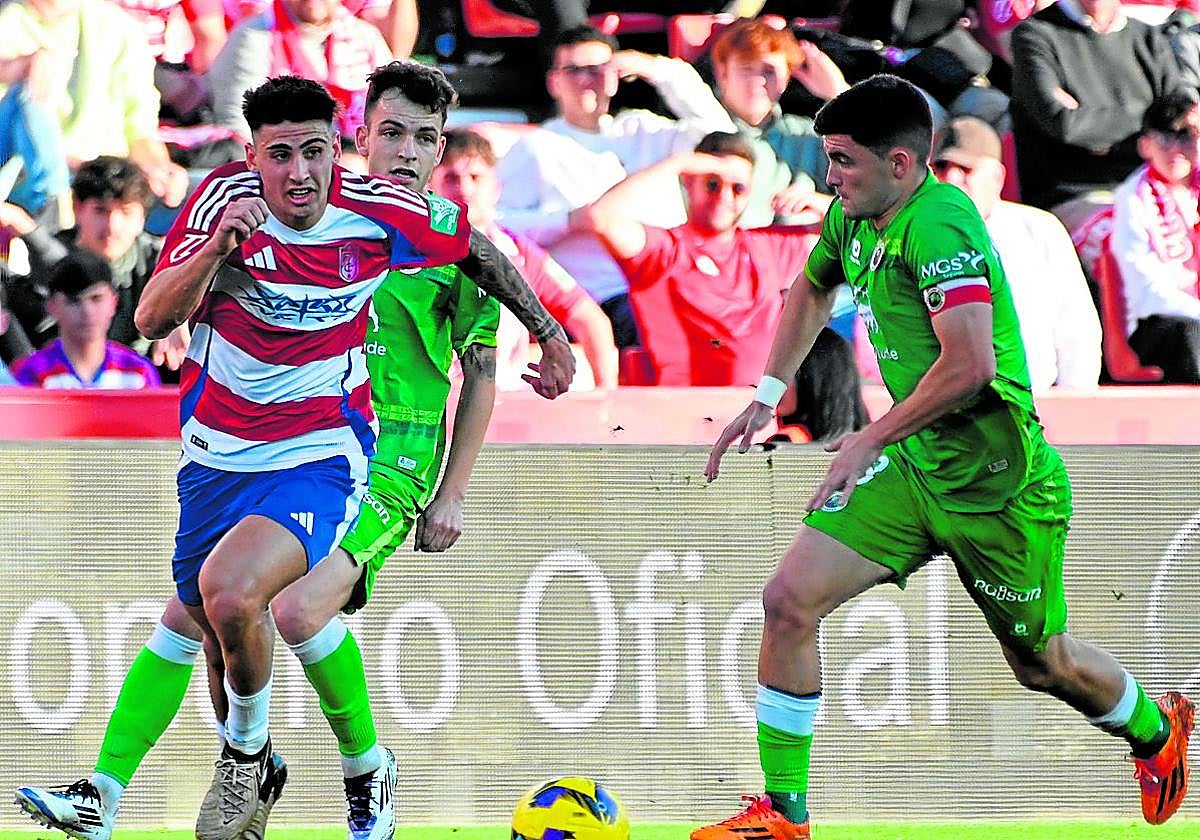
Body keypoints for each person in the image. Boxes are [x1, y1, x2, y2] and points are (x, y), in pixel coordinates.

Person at [13, 66, 572, 840]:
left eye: (426, 138)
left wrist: (542, 340)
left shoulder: (411, 221)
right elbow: (149, 317)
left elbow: (479, 327)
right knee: (200, 616)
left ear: (336, 147)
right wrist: (216, 254)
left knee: (277, 603)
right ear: (364, 134)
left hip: (362, 453)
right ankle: (115, 791)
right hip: (219, 449)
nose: (408, 152)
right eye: (394, 133)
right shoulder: (236, 204)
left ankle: (335, 767)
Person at [699, 74, 1194, 840]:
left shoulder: (940, 227)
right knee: (787, 603)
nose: (830, 177)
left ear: (901, 163)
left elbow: (970, 367)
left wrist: (863, 437)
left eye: (843, 160)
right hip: (913, 469)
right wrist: (767, 393)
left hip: (998, 489)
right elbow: (809, 290)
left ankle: (1156, 731)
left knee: (1043, 665)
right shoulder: (854, 216)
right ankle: (784, 814)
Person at [497, 24, 734, 347]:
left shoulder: (643, 128)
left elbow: (721, 135)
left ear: (616, 77)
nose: (585, 81)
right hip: (589, 298)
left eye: (597, 70)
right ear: (554, 82)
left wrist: (656, 68)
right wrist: (566, 221)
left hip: (664, 285)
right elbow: (499, 224)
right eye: (574, 70)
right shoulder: (537, 147)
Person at [578, 130, 820, 387]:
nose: (724, 197)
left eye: (738, 188)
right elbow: (600, 217)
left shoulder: (768, 246)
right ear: (689, 181)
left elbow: (858, 230)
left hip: (760, 414)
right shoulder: (665, 250)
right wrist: (678, 162)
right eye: (712, 183)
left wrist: (817, 201)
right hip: (688, 412)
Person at [432, 128, 617, 390]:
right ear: (431, 185)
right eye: (451, 178)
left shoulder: (519, 253)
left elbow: (589, 317)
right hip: (432, 406)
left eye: (476, 177)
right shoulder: (407, 252)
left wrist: (605, 399)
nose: (465, 188)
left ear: (496, 188)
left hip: (506, 405)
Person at [932, 116, 1101, 392]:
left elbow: (1076, 328)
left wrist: (1074, 406)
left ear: (997, 177)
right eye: (941, 167)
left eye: (966, 168)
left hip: (1030, 406)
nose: (951, 179)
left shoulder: (1038, 230)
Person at [1010, 0, 1189, 228]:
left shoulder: (1147, 37)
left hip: (1155, 186)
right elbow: (1066, 125)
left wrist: (1095, 122)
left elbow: (1182, 118)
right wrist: (1152, 125)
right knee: (1140, 235)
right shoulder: (1035, 35)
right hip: (1080, 193)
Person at [0, 0, 190, 207]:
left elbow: (139, 130)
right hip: (30, 188)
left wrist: (160, 171)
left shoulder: (119, 28)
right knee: (26, 95)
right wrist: (17, 69)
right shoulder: (9, 20)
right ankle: (54, 204)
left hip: (110, 187)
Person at [207, 0, 392, 145]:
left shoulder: (366, 37)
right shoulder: (253, 36)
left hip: (355, 158)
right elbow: (241, 128)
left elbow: (393, 111)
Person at [1111, 90, 1200, 383]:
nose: (1175, 149)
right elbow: (1147, 293)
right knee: (1189, 336)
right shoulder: (1133, 198)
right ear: (1144, 146)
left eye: (1186, 137)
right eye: (1164, 138)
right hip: (1160, 322)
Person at [10, 251, 161, 388]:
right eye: (73, 301)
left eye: (96, 299)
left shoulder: (139, 372)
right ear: (51, 306)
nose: (87, 311)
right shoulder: (32, 372)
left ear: (113, 302)